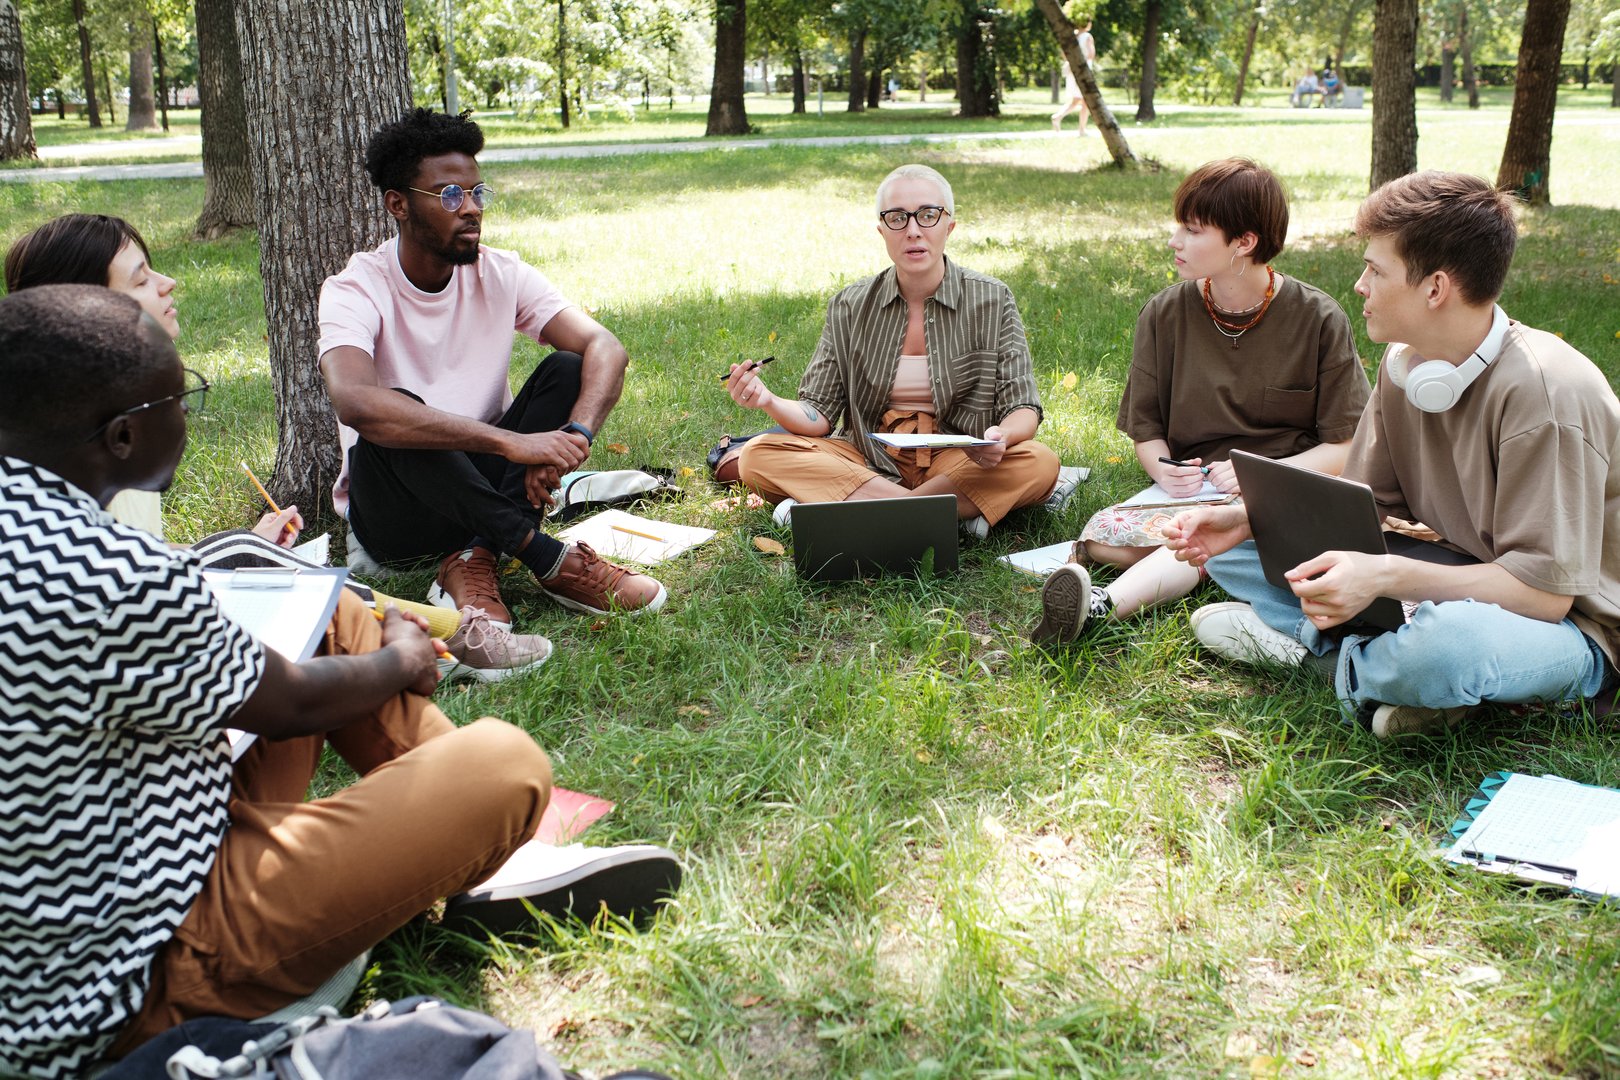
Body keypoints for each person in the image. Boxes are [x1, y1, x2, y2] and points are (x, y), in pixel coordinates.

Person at [0, 285, 680, 1078]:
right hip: (149, 967)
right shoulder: (108, 572)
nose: (189, 412)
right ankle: (482, 853)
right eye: (181, 395)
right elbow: (286, 702)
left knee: (325, 612)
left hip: (106, 869)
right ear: (121, 435)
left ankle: (472, 860)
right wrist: (403, 659)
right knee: (505, 765)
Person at [1165, 171, 1620, 738]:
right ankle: (1404, 679)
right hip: (1459, 569)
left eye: (1375, 270)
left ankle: (1322, 659)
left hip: (1574, 626)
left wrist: (1384, 576)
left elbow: (1545, 597)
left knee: (1449, 647)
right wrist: (1244, 519)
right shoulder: (1407, 364)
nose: (1359, 285)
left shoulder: (1549, 395)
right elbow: (1363, 505)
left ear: (1434, 288)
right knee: (1247, 554)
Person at [2, 214, 537, 684]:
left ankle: (427, 644)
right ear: (85, 309)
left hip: (135, 625)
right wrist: (237, 553)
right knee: (267, 573)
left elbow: (132, 566)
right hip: (117, 656)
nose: (168, 284)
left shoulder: (101, 412)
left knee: (258, 563)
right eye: (142, 279)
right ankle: (446, 637)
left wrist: (235, 547)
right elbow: (113, 584)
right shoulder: (69, 439)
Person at [320, 108, 666, 633]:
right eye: (451, 196)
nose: (472, 209)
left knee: (569, 367)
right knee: (394, 412)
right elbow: (354, 401)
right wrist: (511, 445)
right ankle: (544, 556)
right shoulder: (355, 288)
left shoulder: (501, 271)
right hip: (399, 515)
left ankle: (475, 558)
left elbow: (605, 347)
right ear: (398, 204)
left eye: (478, 192)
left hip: (485, 490)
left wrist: (572, 437)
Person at [1031, 158, 1368, 646]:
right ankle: (1217, 566)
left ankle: (1101, 610)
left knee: (1214, 536)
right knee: (1106, 530)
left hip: (1284, 492)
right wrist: (1163, 470)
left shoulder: (1318, 318)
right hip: (1187, 495)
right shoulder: (1163, 313)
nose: (1175, 241)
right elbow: (1145, 430)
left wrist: (1264, 477)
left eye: (1192, 230)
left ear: (1244, 243)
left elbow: (1344, 446)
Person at [728, 163, 1060, 540]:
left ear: (949, 226)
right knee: (758, 455)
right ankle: (940, 517)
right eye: (898, 218)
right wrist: (768, 400)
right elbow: (818, 414)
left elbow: (1024, 408)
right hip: (867, 458)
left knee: (1039, 462)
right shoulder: (850, 304)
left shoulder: (992, 298)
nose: (914, 230)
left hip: (958, 460)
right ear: (882, 230)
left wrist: (1001, 436)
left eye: (928, 215)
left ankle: (859, 510)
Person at [1050, 18, 1098, 135]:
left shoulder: (1071, 36)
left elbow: (1063, 53)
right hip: (1083, 70)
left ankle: (1058, 117)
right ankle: (1081, 129)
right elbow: (1091, 54)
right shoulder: (1087, 37)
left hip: (1071, 70)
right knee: (1085, 100)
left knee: (1077, 100)